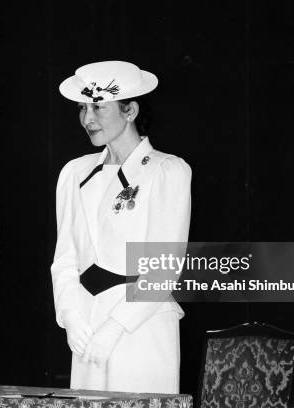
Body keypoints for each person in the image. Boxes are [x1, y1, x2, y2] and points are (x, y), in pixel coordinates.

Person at [52, 61, 191, 393]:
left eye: (98, 107)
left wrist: (114, 328)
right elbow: (65, 259)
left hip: (140, 328)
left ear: (130, 111)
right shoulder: (75, 172)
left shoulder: (166, 171)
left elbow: (163, 269)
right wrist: (72, 318)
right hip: (87, 327)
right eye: (83, 108)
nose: (88, 118)